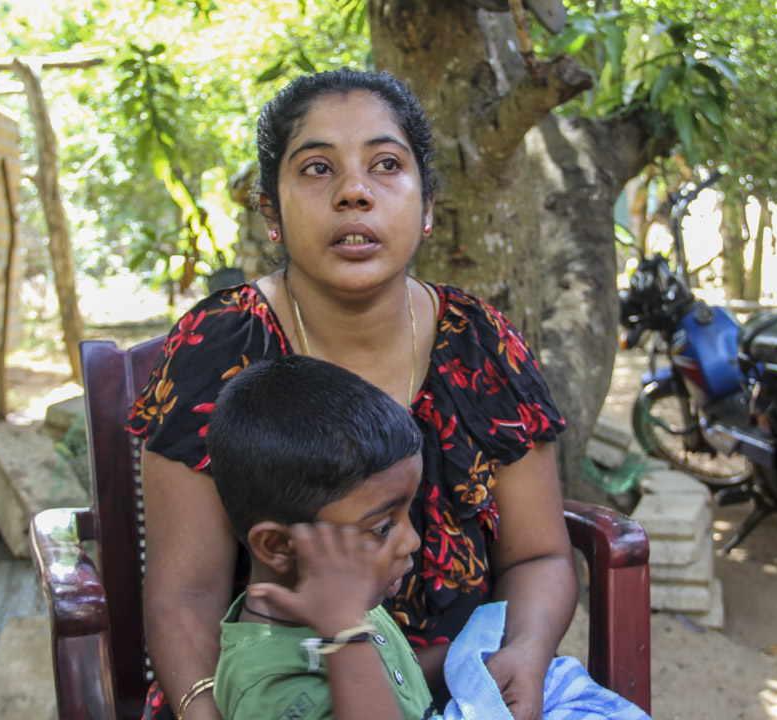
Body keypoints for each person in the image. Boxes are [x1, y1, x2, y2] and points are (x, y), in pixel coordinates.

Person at [128, 68, 576, 720]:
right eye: (316, 169)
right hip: (267, 701)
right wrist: (203, 708)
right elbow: (185, 593)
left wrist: (529, 650)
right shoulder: (217, 347)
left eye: (386, 164)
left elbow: (540, 554)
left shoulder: (483, 344)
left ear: (425, 207)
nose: (354, 193)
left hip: (454, 693)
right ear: (271, 212)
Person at [207, 355, 433, 720]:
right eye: (382, 528)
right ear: (280, 547)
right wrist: (346, 634)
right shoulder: (272, 687)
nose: (411, 542)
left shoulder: (347, 603)